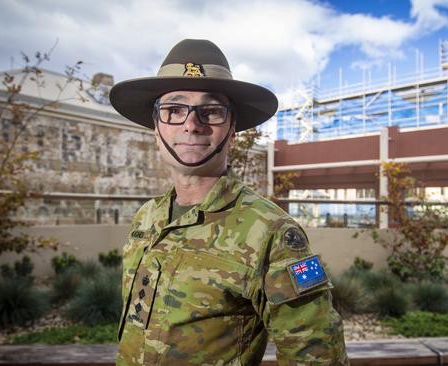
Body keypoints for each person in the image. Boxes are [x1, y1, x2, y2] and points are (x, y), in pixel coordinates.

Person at [109, 39, 348, 365]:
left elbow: (317, 358)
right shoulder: (147, 218)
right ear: (156, 127)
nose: (191, 125)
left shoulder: (271, 233)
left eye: (211, 112)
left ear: (232, 129)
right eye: (174, 110)